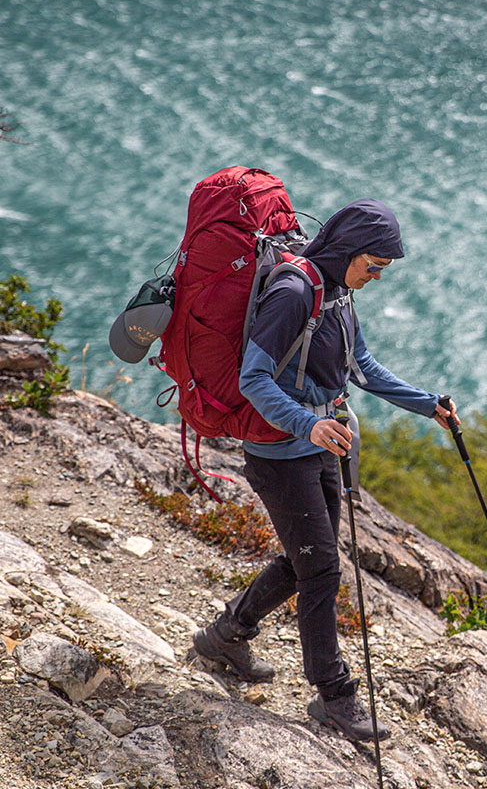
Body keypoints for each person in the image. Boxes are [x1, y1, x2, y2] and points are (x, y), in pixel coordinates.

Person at [192, 198, 457, 743]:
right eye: (375, 265)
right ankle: (334, 695)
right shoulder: (294, 291)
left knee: (303, 560)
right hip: (279, 453)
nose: (377, 276)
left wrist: (426, 404)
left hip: (320, 445)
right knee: (322, 571)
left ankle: (226, 634)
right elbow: (254, 379)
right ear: (348, 250)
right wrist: (306, 426)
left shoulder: (337, 293)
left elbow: (361, 367)